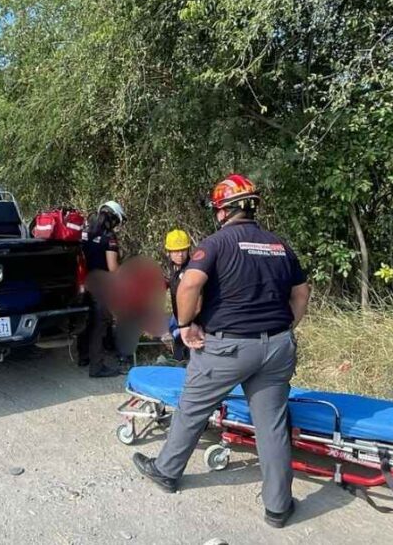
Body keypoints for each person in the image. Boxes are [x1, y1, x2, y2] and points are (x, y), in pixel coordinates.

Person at [131, 174, 311, 529]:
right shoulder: (279, 245)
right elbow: (302, 292)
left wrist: (185, 325)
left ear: (223, 211)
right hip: (277, 347)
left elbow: (189, 285)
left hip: (227, 347)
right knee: (272, 425)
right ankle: (278, 507)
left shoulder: (215, 244)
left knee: (192, 408)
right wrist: (286, 327)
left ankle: (166, 470)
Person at [79, 200, 128, 378]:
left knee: (85, 322)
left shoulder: (85, 231)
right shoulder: (109, 237)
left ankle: (83, 357)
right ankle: (97, 367)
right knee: (99, 325)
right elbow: (113, 268)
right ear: (113, 219)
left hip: (83, 284)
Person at [163, 229, 192, 362]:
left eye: (183, 250)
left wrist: (185, 324)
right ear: (169, 252)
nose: (180, 254)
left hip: (191, 321)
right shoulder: (172, 267)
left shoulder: (193, 269)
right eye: (176, 251)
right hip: (178, 316)